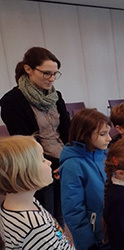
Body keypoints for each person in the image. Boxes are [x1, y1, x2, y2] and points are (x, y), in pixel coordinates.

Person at [0, 47, 69, 226]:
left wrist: (69, 159)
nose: (52, 79)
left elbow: (67, 131)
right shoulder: (12, 101)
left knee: (61, 216)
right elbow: (26, 143)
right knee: (45, 215)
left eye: (55, 74)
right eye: (47, 73)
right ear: (28, 69)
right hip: (37, 163)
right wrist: (52, 165)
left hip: (63, 159)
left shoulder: (56, 96)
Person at [0, 135, 74, 249]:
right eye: (43, 159)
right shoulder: (36, 227)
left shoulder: (18, 205)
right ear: (26, 172)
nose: (49, 162)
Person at [59, 108, 112, 250]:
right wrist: (88, 244)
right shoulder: (72, 166)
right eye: (103, 134)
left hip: (112, 230)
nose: (109, 138)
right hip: (95, 238)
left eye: (108, 133)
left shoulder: (104, 155)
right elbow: (73, 211)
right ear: (84, 135)